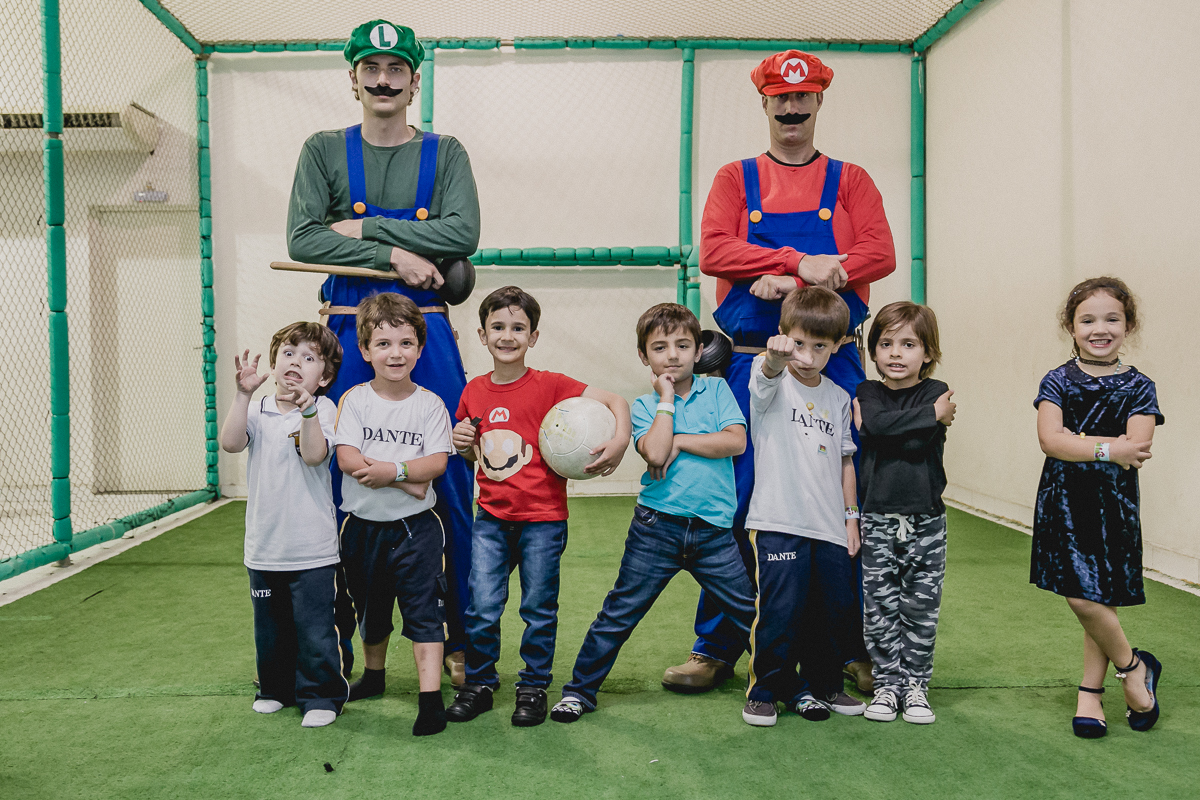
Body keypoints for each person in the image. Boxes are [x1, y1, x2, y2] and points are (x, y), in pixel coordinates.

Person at [668, 49, 895, 693]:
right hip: (748, 364)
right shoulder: (734, 179)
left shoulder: (851, 180)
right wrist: (803, 262)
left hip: (837, 365)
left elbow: (879, 253)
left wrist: (780, 268)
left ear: (819, 100)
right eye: (779, 99)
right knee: (735, 504)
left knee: (845, 500)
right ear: (764, 103)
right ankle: (718, 645)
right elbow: (711, 249)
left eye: (803, 98)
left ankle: (850, 644)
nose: (791, 108)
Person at [286, 19, 480, 685]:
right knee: (334, 479)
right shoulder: (322, 149)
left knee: (449, 475)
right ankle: (335, 644)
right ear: (353, 78)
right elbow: (304, 239)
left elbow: (463, 232)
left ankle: (459, 636)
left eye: (396, 68)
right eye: (370, 67)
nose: (383, 78)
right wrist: (396, 252)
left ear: (413, 79)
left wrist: (363, 225)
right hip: (344, 332)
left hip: (427, 331)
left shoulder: (446, 151)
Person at [550, 304, 756, 723]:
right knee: (619, 612)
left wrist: (680, 439)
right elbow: (656, 451)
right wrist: (666, 403)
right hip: (656, 529)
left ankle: (789, 686)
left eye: (683, 345)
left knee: (750, 613)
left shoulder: (717, 392)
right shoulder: (645, 405)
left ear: (699, 350)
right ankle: (579, 691)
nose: (673, 355)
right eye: (660, 348)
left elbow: (735, 442)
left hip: (714, 533)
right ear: (645, 357)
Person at [444, 286, 631, 727]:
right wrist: (462, 443)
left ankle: (532, 685)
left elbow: (616, 401)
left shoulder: (550, 385)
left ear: (534, 336)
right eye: (498, 327)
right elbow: (476, 454)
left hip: (543, 520)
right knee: (483, 606)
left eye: (518, 328)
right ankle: (480, 683)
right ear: (482, 334)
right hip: (490, 517)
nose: (507, 336)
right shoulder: (473, 391)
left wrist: (620, 440)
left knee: (538, 607)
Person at [1032, 277, 1164, 738]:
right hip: (1064, 503)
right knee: (1081, 595)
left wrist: (1081, 442)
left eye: (1112, 319)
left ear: (1128, 325)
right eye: (1088, 319)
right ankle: (1134, 668)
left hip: (1114, 506)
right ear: (1071, 326)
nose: (1099, 328)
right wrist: (1110, 449)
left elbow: (1140, 445)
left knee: (1097, 598)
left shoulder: (1140, 386)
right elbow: (1051, 441)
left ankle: (1091, 691)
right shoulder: (1057, 380)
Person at [741, 287, 864, 727]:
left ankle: (826, 685)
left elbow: (846, 461)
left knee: (830, 611)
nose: (807, 355)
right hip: (778, 519)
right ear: (782, 336)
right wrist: (775, 357)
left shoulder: (836, 396)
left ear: (837, 346)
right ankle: (764, 690)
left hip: (830, 524)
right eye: (799, 343)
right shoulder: (768, 375)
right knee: (780, 609)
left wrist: (851, 519)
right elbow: (767, 375)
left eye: (820, 346)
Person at [333, 293, 454, 736]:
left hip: (416, 529)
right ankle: (375, 676)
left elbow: (436, 463)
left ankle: (429, 699)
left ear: (420, 349)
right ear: (365, 351)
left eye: (405, 343)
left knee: (423, 611)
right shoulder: (355, 400)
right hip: (361, 528)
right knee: (371, 607)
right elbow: (347, 457)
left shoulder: (429, 405)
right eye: (383, 344)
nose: (395, 353)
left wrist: (395, 470)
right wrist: (405, 478)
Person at [218, 322, 348, 728]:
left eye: (309, 358)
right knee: (269, 627)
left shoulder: (323, 410)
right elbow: (231, 443)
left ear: (323, 377)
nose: (296, 362)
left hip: (311, 547)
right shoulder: (257, 408)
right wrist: (242, 394)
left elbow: (313, 456)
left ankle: (322, 695)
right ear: (273, 364)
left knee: (314, 628)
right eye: (289, 353)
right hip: (264, 544)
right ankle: (274, 688)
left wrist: (307, 411)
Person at [852, 302, 955, 724]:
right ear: (874, 352)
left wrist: (892, 426)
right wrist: (927, 419)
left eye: (908, 344)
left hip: (926, 520)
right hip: (876, 517)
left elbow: (904, 442)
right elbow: (876, 426)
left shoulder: (937, 390)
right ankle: (886, 684)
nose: (896, 353)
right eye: (886, 344)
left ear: (927, 353)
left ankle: (915, 687)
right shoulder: (868, 393)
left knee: (920, 609)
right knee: (879, 608)